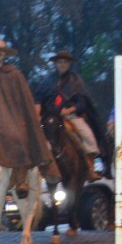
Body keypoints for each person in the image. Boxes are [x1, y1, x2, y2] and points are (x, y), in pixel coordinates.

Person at [0, 37, 53, 179]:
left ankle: (21, 173)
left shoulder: (14, 75)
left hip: (9, 120)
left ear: (2, 55)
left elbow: (25, 102)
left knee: (16, 136)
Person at [45, 51, 104, 179]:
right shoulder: (47, 81)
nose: (62, 64)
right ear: (56, 64)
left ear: (69, 63)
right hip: (51, 117)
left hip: (71, 117)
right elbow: (41, 99)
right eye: (60, 62)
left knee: (88, 135)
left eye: (65, 62)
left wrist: (69, 110)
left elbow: (82, 102)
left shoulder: (76, 81)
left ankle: (91, 166)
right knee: (39, 138)